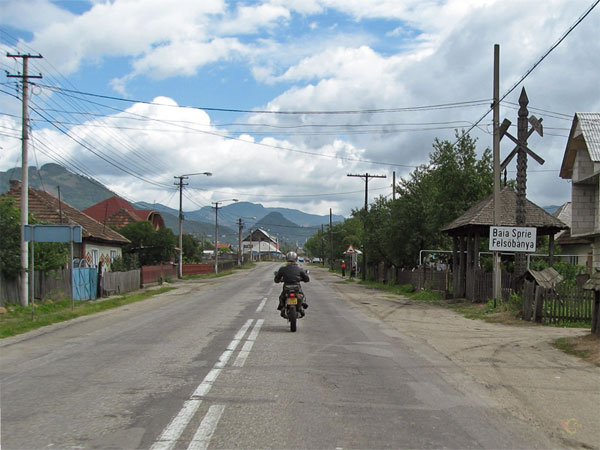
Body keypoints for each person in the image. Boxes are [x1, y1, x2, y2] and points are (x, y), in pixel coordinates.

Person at [274, 251, 310, 317]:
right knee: (302, 295)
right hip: (296, 287)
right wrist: (302, 279)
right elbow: (307, 279)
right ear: (296, 259)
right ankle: (302, 305)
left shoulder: (282, 269)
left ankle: (282, 306)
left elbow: (276, 280)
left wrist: (279, 280)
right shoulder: (299, 269)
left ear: (286, 258)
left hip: (286, 288)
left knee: (282, 297)